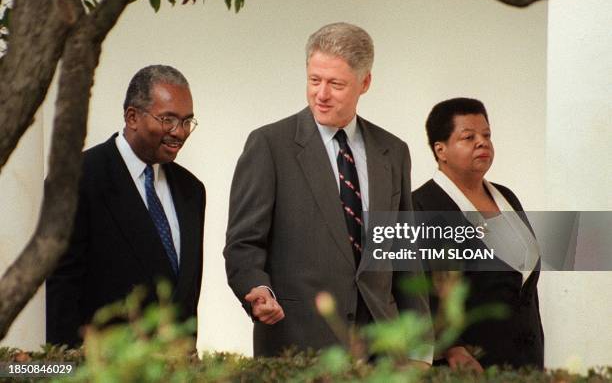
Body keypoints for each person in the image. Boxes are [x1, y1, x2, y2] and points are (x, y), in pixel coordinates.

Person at [224, 22, 431, 360]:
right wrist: (257, 289)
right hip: (296, 344)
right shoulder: (269, 145)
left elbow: (404, 253)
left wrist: (421, 349)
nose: (321, 94)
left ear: (365, 83)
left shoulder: (393, 151)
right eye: (314, 80)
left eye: (335, 84)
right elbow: (243, 243)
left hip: (382, 350)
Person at [46, 65, 205, 347]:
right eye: (167, 120)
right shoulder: (79, 179)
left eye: (186, 121)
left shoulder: (192, 191)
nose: (179, 132)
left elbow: (186, 293)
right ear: (132, 116)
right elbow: (62, 289)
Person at [412, 97, 544, 370]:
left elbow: (521, 278)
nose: (482, 142)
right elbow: (416, 293)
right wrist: (449, 347)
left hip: (526, 360)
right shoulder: (419, 207)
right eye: (468, 137)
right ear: (441, 150)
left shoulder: (507, 197)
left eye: (486, 135)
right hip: (468, 365)